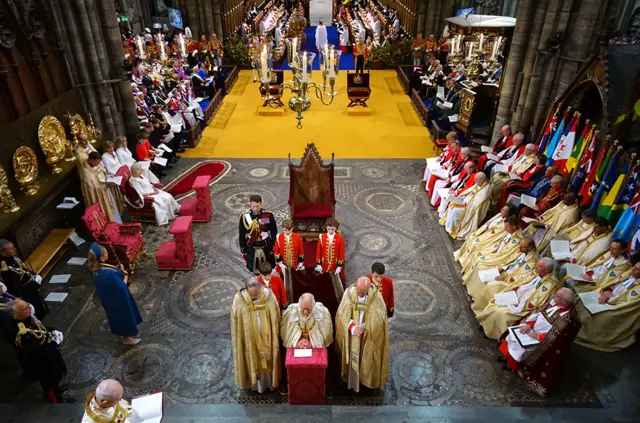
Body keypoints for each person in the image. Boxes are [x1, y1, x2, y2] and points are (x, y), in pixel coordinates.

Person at [0, 299, 67, 403]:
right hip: (42, 363)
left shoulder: (28, 317)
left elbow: (40, 328)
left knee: (55, 378)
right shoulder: (22, 334)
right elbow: (38, 351)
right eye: (25, 308)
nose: (29, 308)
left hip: (49, 355)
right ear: (16, 316)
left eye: (27, 305)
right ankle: (56, 400)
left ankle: (56, 388)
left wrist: (51, 330)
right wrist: (55, 343)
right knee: (49, 383)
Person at [477, 257, 559, 339]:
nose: (535, 267)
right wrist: (513, 289)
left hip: (523, 308)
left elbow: (543, 304)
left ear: (547, 270)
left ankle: (492, 333)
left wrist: (523, 306)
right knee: (495, 301)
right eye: (536, 265)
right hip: (513, 296)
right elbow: (522, 281)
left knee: (499, 311)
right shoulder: (536, 273)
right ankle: (485, 325)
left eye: (539, 266)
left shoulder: (551, 286)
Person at [498, 288, 575, 371]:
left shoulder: (566, 319)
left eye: (557, 296)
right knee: (513, 335)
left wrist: (536, 336)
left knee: (519, 347)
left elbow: (556, 336)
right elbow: (539, 314)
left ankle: (512, 365)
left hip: (541, 340)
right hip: (531, 329)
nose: (554, 296)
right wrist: (529, 325)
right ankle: (508, 357)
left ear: (564, 302)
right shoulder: (553, 303)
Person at [575, 254, 640, 351]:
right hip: (607, 296)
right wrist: (606, 291)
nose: (633, 269)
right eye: (634, 266)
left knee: (603, 316)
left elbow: (629, 303)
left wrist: (610, 299)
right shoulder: (628, 273)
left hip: (618, 308)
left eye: (637, 269)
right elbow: (613, 284)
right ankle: (575, 327)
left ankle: (589, 335)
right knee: (581, 298)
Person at [335, 277, 389, 392]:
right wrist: (352, 327)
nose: (360, 295)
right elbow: (342, 315)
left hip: (367, 335)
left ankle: (366, 380)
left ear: (369, 288)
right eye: (359, 292)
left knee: (366, 356)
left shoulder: (376, 297)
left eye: (363, 293)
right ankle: (352, 380)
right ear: (355, 285)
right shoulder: (349, 294)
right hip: (352, 334)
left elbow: (379, 318)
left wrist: (366, 327)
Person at [231, 276, 281, 392]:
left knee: (268, 361)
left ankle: (269, 383)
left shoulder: (269, 296)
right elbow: (237, 318)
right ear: (247, 289)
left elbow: (275, 314)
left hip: (267, 338)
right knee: (253, 360)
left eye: (257, 294)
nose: (256, 297)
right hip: (251, 340)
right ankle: (256, 385)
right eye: (253, 296)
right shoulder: (240, 301)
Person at [87, 243, 142, 345]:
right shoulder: (108, 273)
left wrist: (117, 269)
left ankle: (123, 334)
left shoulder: (93, 267)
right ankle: (127, 338)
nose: (108, 253)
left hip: (107, 297)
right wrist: (125, 274)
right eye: (106, 253)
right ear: (102, 257)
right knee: (124, 316)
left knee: (115, 316)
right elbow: (122, 286)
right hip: (118, 298)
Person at [469, 238, 539, 314]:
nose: (519, 248)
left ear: (530, 248)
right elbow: (513, 262)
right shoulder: (524, 251)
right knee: (484, 271)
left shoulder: (533, 262)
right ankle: (477, 297)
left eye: (522, 247)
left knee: (491, 285)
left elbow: (523, 277)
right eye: (520, 245)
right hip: (506, 272)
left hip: (511, 282)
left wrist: (505, 278)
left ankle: (482, 307)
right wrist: (502, 268)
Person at [459, 216, 524, 277]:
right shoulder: (509, 232)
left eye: (507, 227)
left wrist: (494, 255)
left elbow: (508, 255)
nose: (504, 228)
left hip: (500, 258)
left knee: (479, 261)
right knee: (477, 253)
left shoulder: (518, 240)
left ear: (514, 227)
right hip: (495, 251)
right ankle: (467, 272)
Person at [0, 239, 48, 320]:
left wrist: (34, 275)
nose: (15, 249)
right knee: (36, 312)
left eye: (13, 247)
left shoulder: (13, 258)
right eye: (11, 249)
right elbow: (15, 287)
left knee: (41, 306)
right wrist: (33, 284)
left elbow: (24, 269)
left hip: (31, 288)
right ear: (3, 253)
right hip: (26, 293)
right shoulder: (6, 269)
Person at [440, 172, 491, 239]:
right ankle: (448, 225)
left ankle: (453, 229)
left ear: (482, 180)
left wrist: (465, 204)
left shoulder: (486, 190)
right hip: (466, 202)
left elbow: (477, 205)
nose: (475, 181)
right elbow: (469, 191)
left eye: (476, 180)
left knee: (455, 211)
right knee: (452, 204)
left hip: (471, 208)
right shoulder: (479, 184)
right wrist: (462, 197)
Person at [238, 194, 278, 274]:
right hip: (252, 245)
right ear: (249, 203)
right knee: (253, 267)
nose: (255, 209)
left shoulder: (267, 215)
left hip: (266, 244)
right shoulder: (245, 216)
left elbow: (273, 231)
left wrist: (273, 244)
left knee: (268, 267)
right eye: (253, 206)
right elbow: (241, 233)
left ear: (261, 203)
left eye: (257, 206)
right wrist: (243, 247)